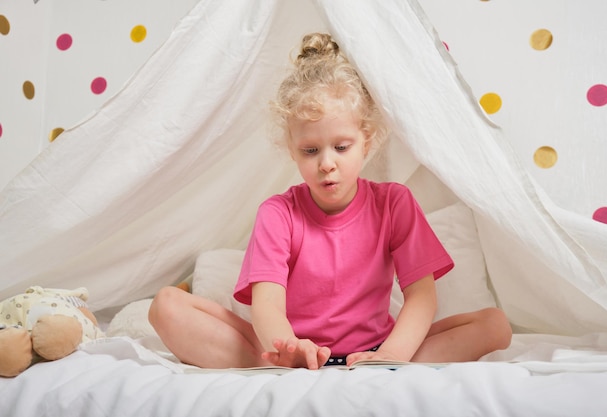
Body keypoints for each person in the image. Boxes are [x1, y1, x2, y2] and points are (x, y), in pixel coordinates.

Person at [149, 32, 512, 370]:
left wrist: (389, 357)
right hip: (290, 354)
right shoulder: (278, 213)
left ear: (366, 141)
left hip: (378, 350)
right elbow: (268, 302)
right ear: (292, 150)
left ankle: (380, 367)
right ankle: (284, 365)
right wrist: (289, 346)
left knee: (494, 325)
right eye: (310, 150)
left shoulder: (394, 203)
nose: (327, 164)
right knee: (166, 306)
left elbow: (421, 297)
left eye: (341, 147)